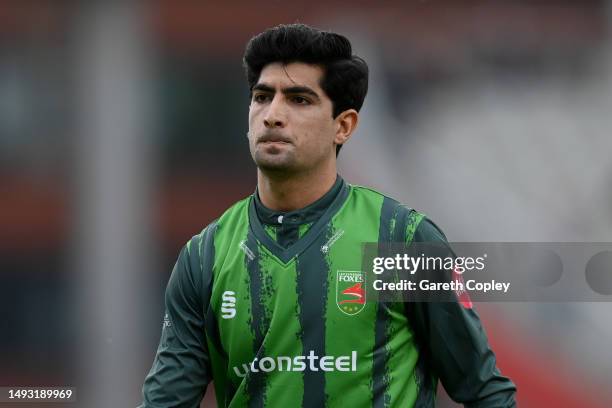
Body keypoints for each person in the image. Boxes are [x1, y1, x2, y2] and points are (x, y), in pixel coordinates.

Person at [139, 23, 516, 407]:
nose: (272, 115)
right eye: (262, 97)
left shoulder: (402, 239)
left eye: (299, 99)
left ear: (343, 126)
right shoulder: (206, 255)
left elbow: (484, 391)